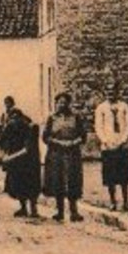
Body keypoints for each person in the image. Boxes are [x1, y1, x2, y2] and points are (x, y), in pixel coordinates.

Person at [42, 92, 86, 223]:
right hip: (56, 154)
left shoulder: (76, 118)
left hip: (72, 154)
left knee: (73, 180)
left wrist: (73, 142)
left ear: (68, 104)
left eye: (64, 102)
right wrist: (58, 142)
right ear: (56, 104)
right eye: (59, 102)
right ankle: (59, 211)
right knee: (58, 181)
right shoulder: (52, 118)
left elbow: (83, 136)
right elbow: (45, 137)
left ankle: (74, 211)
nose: (62, 104)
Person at [93, 84, 128, 211]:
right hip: (109, 145)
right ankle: (113, 201)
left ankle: (126, 201)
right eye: (108, 91)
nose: (110, 93)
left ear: (117, 92)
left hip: (123, 145)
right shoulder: (101, 108)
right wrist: (105, 141)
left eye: (113, 91)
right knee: (110, 176)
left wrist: (123, 140)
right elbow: (98, 127)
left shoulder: (124, 106)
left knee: (124, 176)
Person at [0, 106, 41, 217]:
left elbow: (28, 149)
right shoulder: (10, 128)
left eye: (16, 118)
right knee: (18, 184)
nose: (14, 121)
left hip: (29, 161)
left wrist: (8, 158)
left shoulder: (31, 128)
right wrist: (1, 155)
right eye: (11, 119)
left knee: (31, 185)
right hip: (16, 161)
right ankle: (23, 208)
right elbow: (0, 142)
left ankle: (33, 209)